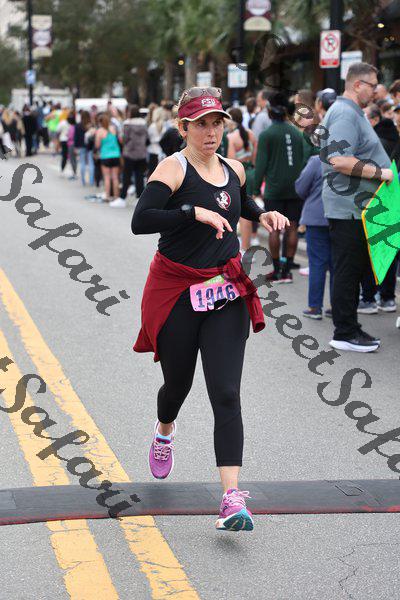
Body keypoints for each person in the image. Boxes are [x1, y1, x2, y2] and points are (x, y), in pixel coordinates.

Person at [131, 86, 288, 532]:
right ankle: (164, 430)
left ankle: (231, 499)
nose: (211, 132)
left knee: (226, 393)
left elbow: (242, 201)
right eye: (201, 124)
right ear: (183, 127)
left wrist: (262, 214)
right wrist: (191, 212)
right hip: (178, 291)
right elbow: (141, 220)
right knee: (177, 386)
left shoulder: (234, 168)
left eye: (217, 123)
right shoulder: (173, 168)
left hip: (224, 292)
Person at [320, 62, 393, 353]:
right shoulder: (345, 113)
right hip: (350, 207)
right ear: (358, 85)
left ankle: (350, 327)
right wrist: (381, 173)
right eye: (373, 85)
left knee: (353, 269)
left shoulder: (350, 112)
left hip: (357, 207)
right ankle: (345, 332)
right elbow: (339, 159)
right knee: (348, 270)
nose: (376, 91)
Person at [254, 92, 307, 283]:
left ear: (270, 112)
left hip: (274, 189)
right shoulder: (297, 133)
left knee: (274, 230)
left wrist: (254, 189)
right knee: (292, 228)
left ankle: (276, 271)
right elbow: (303, 160)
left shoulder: (267, 135)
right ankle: (287, 270)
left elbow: (260, 165)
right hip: (295, 188)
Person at [295, 155, 333, 319]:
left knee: (317, 263)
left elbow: (301, 187)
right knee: (338, 265)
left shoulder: (317, 161)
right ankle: (337, 306)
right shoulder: (349, 158)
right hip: (341, 219)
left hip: (316, 216)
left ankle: (315, 307)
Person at [227, 107, 258, 256]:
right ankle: (247, 245)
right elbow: (255, 157)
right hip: (251, 172)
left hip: (239, 174)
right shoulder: (251, 134)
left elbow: (231, 160)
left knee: (242, 212)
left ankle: (244, 248)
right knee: (250, 208)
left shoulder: (231, 137)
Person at [110, 104, 148, 208]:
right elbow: (146, 138)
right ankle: (139, 198)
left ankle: (122, 198)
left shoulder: (127, 124)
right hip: (141, 153)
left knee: (126, 176)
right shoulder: (144, 123)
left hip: (130, 153)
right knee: (139, 176)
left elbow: (124, 138)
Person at [95, 113, 121, 202]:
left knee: (107, 177)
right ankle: (116, 197)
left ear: (100, 122)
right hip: (116, 155)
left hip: (105, 155)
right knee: (115, 177)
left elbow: (97, 145)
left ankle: (107, 196)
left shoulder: (100, 131)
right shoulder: (113, 129)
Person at [75, 110, 95, 186]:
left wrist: (76, 147)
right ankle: (91, 180)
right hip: (90, 146)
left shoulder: (78, 125)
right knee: (91, 163)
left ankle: (83, 180)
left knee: (82, 163)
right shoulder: (91, 125)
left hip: (81, 145)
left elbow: (76, 137)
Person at [147, 106, 166, 176]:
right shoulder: (165, 126)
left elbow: (148, 137)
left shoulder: (152, 126)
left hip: (152, 151)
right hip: (162, 153)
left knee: (152, 174)